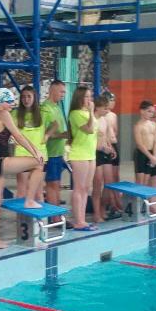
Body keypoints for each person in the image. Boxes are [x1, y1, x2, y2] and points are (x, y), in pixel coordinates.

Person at [0, 88, 44, 250]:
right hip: (1, 161)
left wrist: (34, 149)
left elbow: (9, 140)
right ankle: (29, 200)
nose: (13, 104)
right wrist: (36, 153)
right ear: (2, 101)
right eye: (10, 101)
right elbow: (18, 135)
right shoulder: (4, 114)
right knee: (39, 164)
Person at [67, 86, 97, 231]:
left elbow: (95, 133)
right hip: (79, 154)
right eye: (86, 96)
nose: (89, 99)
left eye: (90, 96)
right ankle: (78, 221)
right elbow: (89, 130)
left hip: (91, 154)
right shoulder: (75, 114)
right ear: (79, 98)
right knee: (79, 188)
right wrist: (91, 112)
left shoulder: (87, 112)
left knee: (86, 188)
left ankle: (82, 220)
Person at [13, 85, 50, 198]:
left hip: (39, 156)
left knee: (38, 192)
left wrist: (47, 135)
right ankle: (22, 211)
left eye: (29, 96)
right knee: (22, 191)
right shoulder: (15, 114)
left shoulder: (43, 112)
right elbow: (11, 132)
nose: (26, 99)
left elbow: (56, 124)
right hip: (22, 155)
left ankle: (39, 211)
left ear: (34, 97)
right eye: (23, 97)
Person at [41, 79, 69, 208]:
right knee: (52, 185)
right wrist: (63, 135)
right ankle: (54, 215)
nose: (63, 94)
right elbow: (44, 135)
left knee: (57, 185)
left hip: (58, 153)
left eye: (64, 92)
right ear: (52, 90)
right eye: (61, 92)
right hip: (50, 154)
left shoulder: (57, 107)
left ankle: (57, 213)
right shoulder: (45, 109)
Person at [92, 96, 115, 223]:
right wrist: (102, 148)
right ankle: (96, 213)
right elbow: (90, 141)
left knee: (109, 184)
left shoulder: (104, 120)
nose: (107, 110)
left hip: (105, 151)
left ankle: (102, 208)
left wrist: (111, 148)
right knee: (97, 185)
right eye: (105, 108)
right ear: (97, 107)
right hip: (95, 152)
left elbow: (105, 136)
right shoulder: (92, 120)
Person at [133, 100, 156, 186]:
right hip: (141, 154)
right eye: (149, 111)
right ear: (142, 111)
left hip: (151, 154)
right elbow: (139, 144)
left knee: (146, 181)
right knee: (140, 182)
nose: (151, 114)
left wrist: (155, 156)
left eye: (152, 112)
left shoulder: (153, 124)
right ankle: (137, 196)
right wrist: (151, 157)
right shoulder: (138, 126)